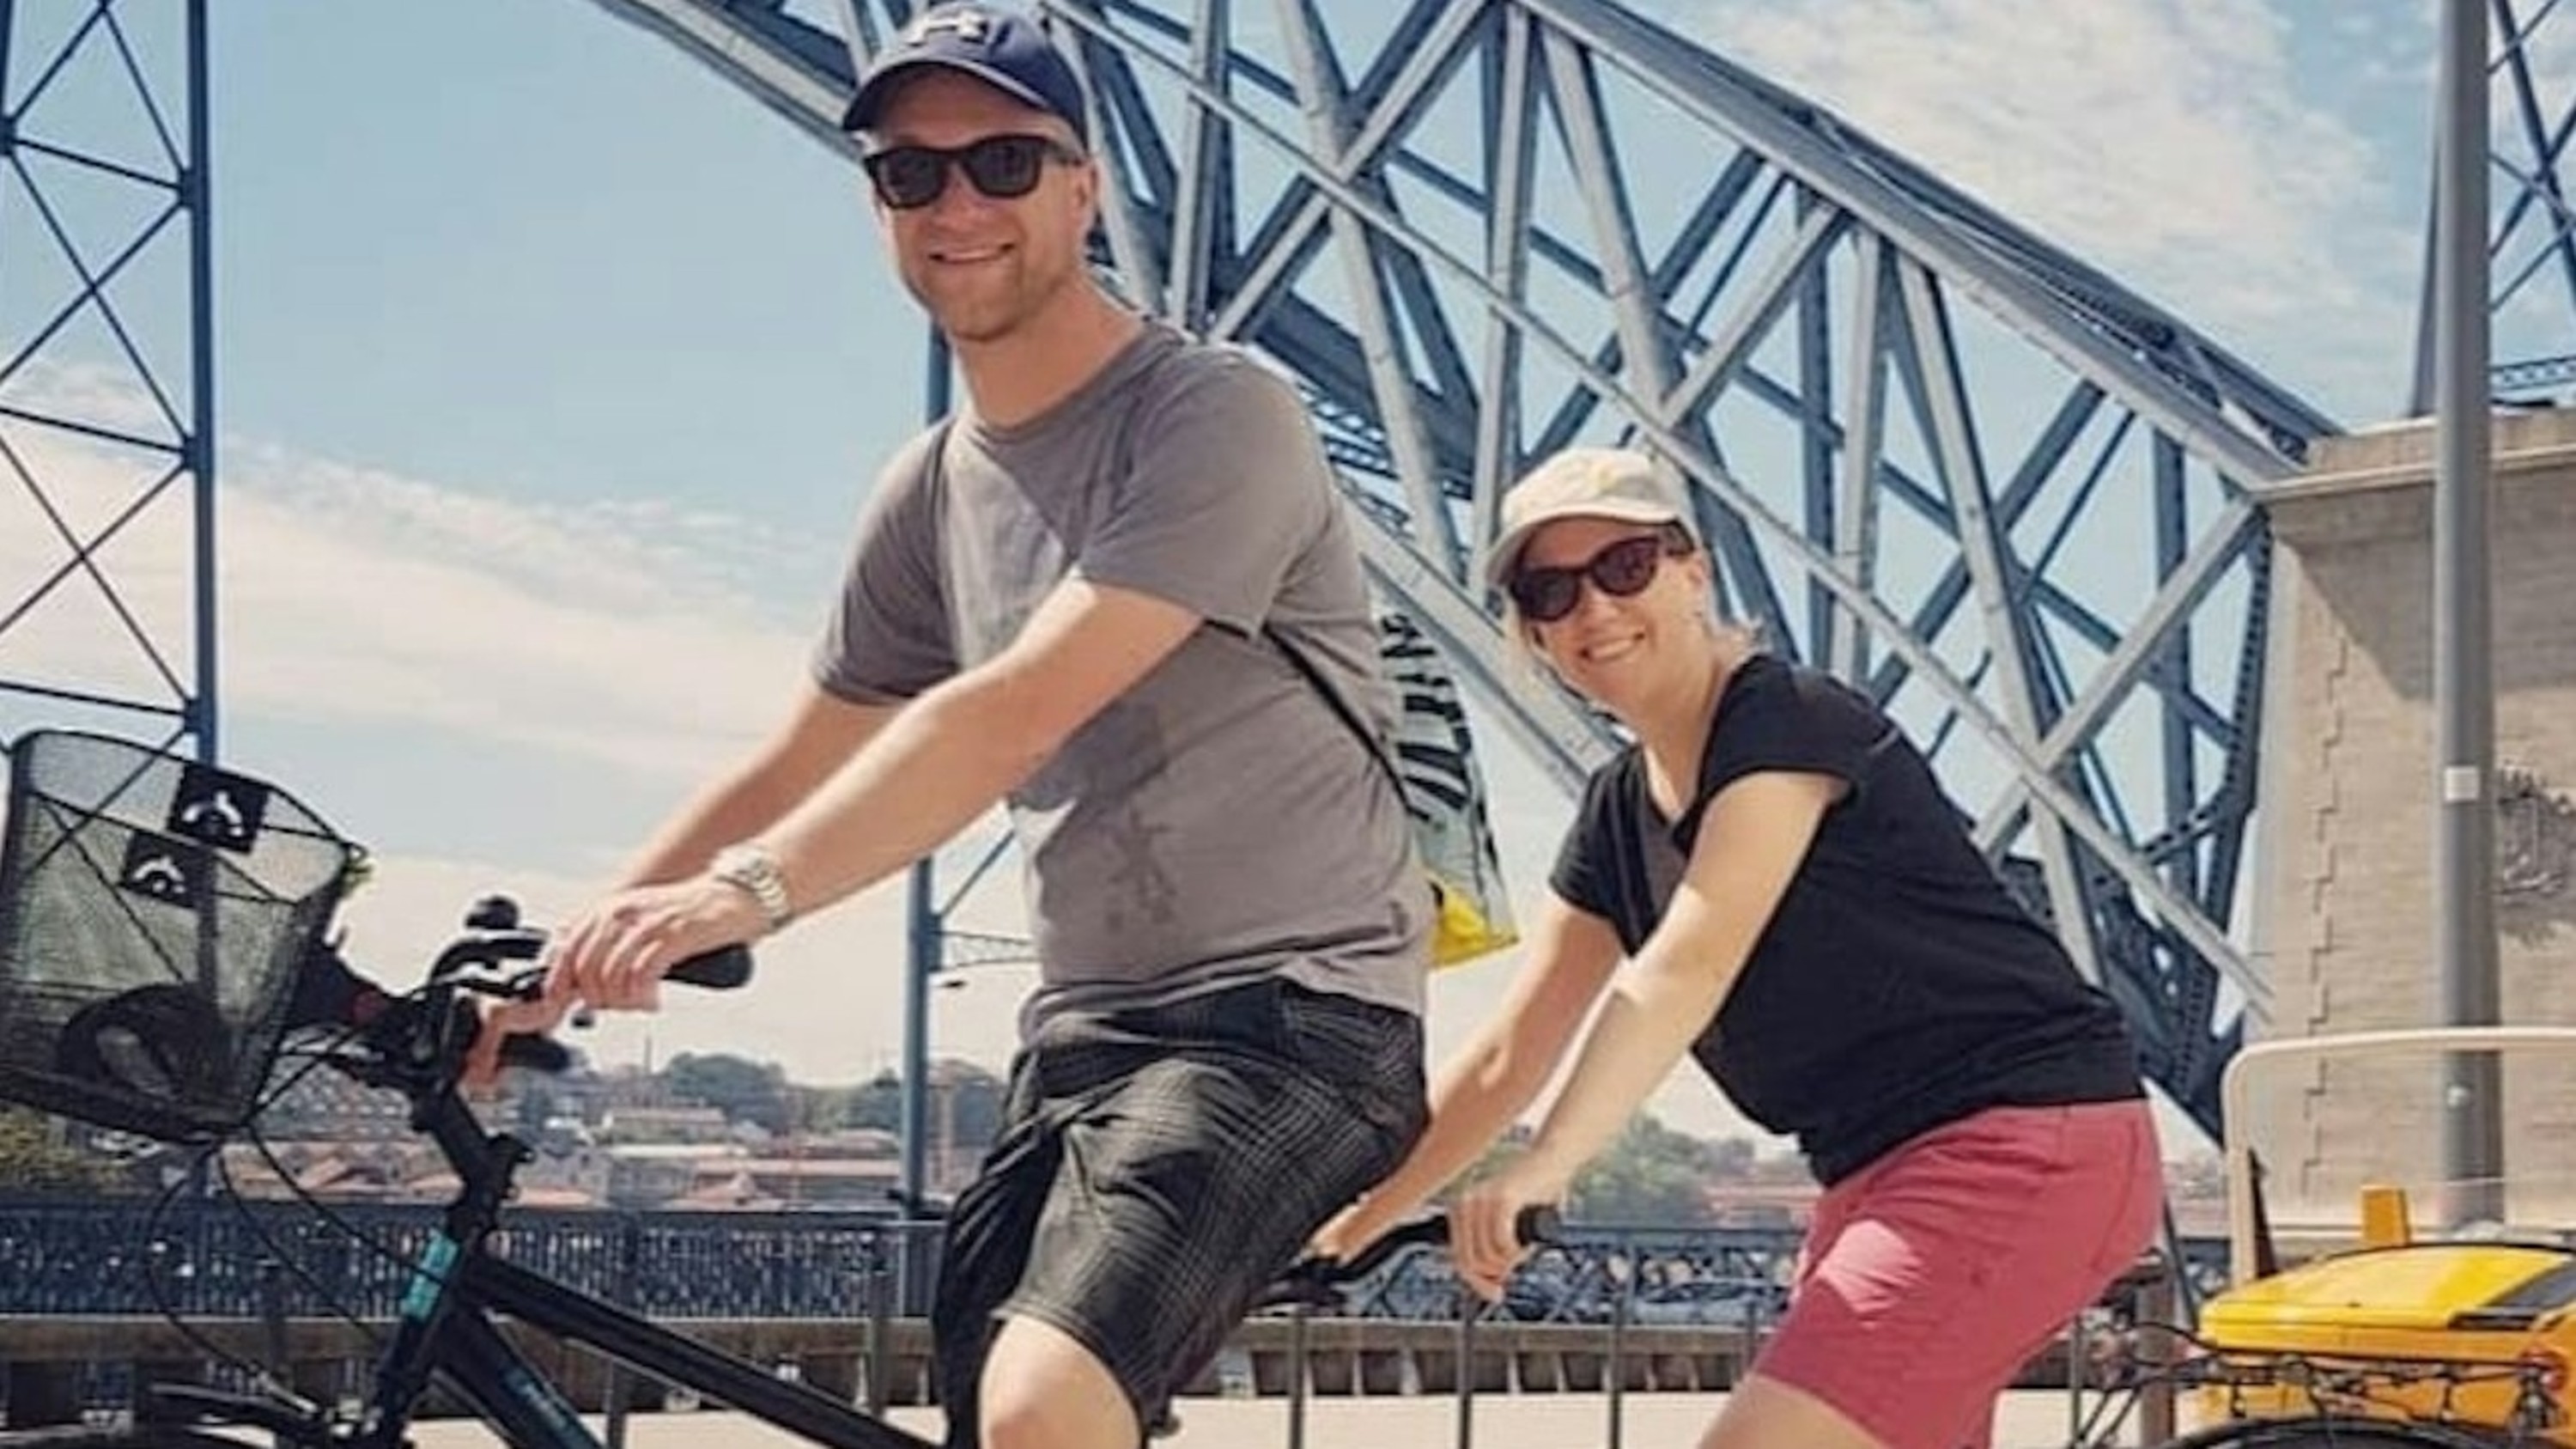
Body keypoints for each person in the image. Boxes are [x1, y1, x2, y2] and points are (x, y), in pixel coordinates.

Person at [467, 7, 1431, 1447]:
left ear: (1084, 188)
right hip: (1087, 1029)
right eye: (910, 176)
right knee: (994, 1420)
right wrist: (564, 958)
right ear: (877, 208)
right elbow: (801, 752)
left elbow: (1017, 705)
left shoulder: (1214, 413)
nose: (957, 205)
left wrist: (747, 897)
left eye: (1003, 160)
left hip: (1297, 1016)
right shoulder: (926, 490)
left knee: (1048, 1406)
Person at [1312, 447, 2163, 1449]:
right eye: (1550, 590)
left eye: (1624, 566)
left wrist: (1551, 1161)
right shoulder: (1617, 813)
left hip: (2022, 1145)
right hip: (1875, 1176)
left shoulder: (1787, 721)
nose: (1593, 609)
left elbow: (1688, 961)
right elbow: (1509, 1054)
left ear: (1692, 569)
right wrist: (1348, 1223)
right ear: (1532, 633)